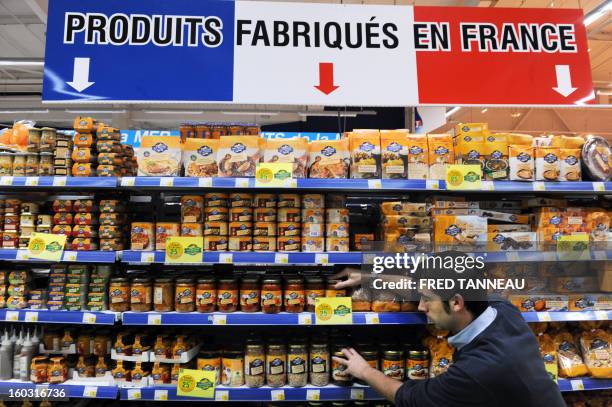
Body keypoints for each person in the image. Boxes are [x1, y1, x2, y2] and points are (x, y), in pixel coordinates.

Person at [331, 256, 565, 407]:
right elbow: (416, 286)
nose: (420, 306)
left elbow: (411, 398)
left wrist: (365, 371)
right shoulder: (501, 309)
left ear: (456, 303)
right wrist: (370, 277)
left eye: (426, 300)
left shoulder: (477, 370)